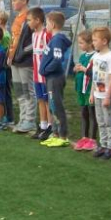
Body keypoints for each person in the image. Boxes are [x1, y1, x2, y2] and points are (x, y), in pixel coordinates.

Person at [39, 11, 72, 147]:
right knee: (52, 106)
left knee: (57, 106)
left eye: (47, 23)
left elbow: (58, 59)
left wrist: (46, 70)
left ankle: (63, 136)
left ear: (52, 24)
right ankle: (55, 133)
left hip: (55, 78)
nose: (46, 26)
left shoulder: (57, 39)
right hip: (50, 78)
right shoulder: (53, 39)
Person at [8, 0, 37, 134]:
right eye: (12, 0)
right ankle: (23, 118)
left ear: (24, 0)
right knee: (19, 91)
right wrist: (10, 55)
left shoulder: (30, 18)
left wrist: (24, 52)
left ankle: (30, 120)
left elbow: (34, 40)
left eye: (15, 0)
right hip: (15, 60)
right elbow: (14, 39)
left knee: (28, 91)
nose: (12, 3)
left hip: (25, 61)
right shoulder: (17, 18)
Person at [90, 26, 111, 159]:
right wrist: (92, 93)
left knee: (109, 121)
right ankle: (103, 144)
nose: (93, 43)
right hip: (97, 94)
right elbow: (94, 76)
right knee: (100, 121)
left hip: (107, 96)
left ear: (104, 41)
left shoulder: (110, 57)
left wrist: (108, 96)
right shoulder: (96, 56)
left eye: (95, 40)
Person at [28, 7, 52, 140]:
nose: (28, 23)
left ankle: (50, 125)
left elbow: (50, 53)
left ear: (37, 20)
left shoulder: (46, 34)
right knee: (40, 99)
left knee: (47, 100)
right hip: (36, 75)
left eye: (30, 20)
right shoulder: (34, 35)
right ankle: (42, 125)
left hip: (45, 75)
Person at [72, 30, 97, 152]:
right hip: (81, 90)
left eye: (81, 43)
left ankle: (93, 139)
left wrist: (83, 69)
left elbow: (94, 73)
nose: (80, 45)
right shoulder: (82, 56)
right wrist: (75, 69)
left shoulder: (95, 57)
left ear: (90, 43)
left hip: (89, 90)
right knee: (84, 113)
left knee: (92, 113)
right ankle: (84, 137)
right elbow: (79, 69)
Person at [0, 9, 15, 126]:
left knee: (5, 92)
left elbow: (4, 53)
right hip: (1, 67)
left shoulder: (4, 36)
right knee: (3, 92)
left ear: (0, 21)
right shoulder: (2, 34)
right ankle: (3, 115)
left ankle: (9, 117)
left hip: (4, 68)